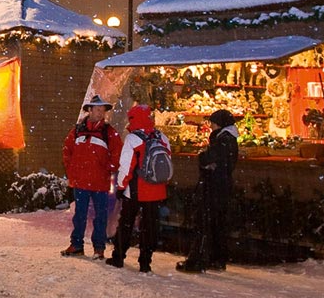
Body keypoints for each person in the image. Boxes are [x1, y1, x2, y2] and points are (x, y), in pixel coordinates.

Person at [110, 104, 169, 272]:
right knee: (150, 226)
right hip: (156, 189)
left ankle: (118, 257)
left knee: (126, 223)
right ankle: (145, 262)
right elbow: (165, 164)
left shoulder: (133, 139)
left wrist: (121, 187)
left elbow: (126, 166)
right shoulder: (161, 137)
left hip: (136, 189)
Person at [178, 108, 239, 273]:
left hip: (213, 187)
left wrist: (204, 158)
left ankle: (198, 260)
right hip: (222, 186)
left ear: (218, 124)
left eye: (212, 123)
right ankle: (216, 258)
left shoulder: (222, 140)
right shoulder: (229, 139)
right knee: (217, 223)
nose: (210, 126)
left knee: (204, 223)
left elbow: (208, 158)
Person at [61, 96, 121, 258]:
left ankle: (98, 248)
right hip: (81, 181)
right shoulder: (77, 130)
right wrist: (72, 170)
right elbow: (67, 151)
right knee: (79, 215)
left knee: (100, 217)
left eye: (103, 110)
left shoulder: (109, 133)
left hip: (100, 182)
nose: (101, 113)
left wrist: (108, 168)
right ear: (89, 110)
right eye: (97, 109)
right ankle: (76, 245)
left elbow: (117, 155)